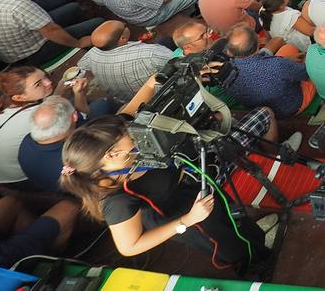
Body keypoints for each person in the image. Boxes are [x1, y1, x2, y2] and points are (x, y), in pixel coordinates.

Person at [60, 116, 273, 273]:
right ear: (111, 155)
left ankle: (257, 242)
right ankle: (257, 266)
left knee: (238, 223)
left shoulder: (124, 155)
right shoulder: (117, 201)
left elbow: (143, 97)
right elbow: (129, 246)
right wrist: (187, 221)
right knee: (233, 246)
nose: (135, 137)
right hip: (192, 220)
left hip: (194, 195)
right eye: (130, 137)